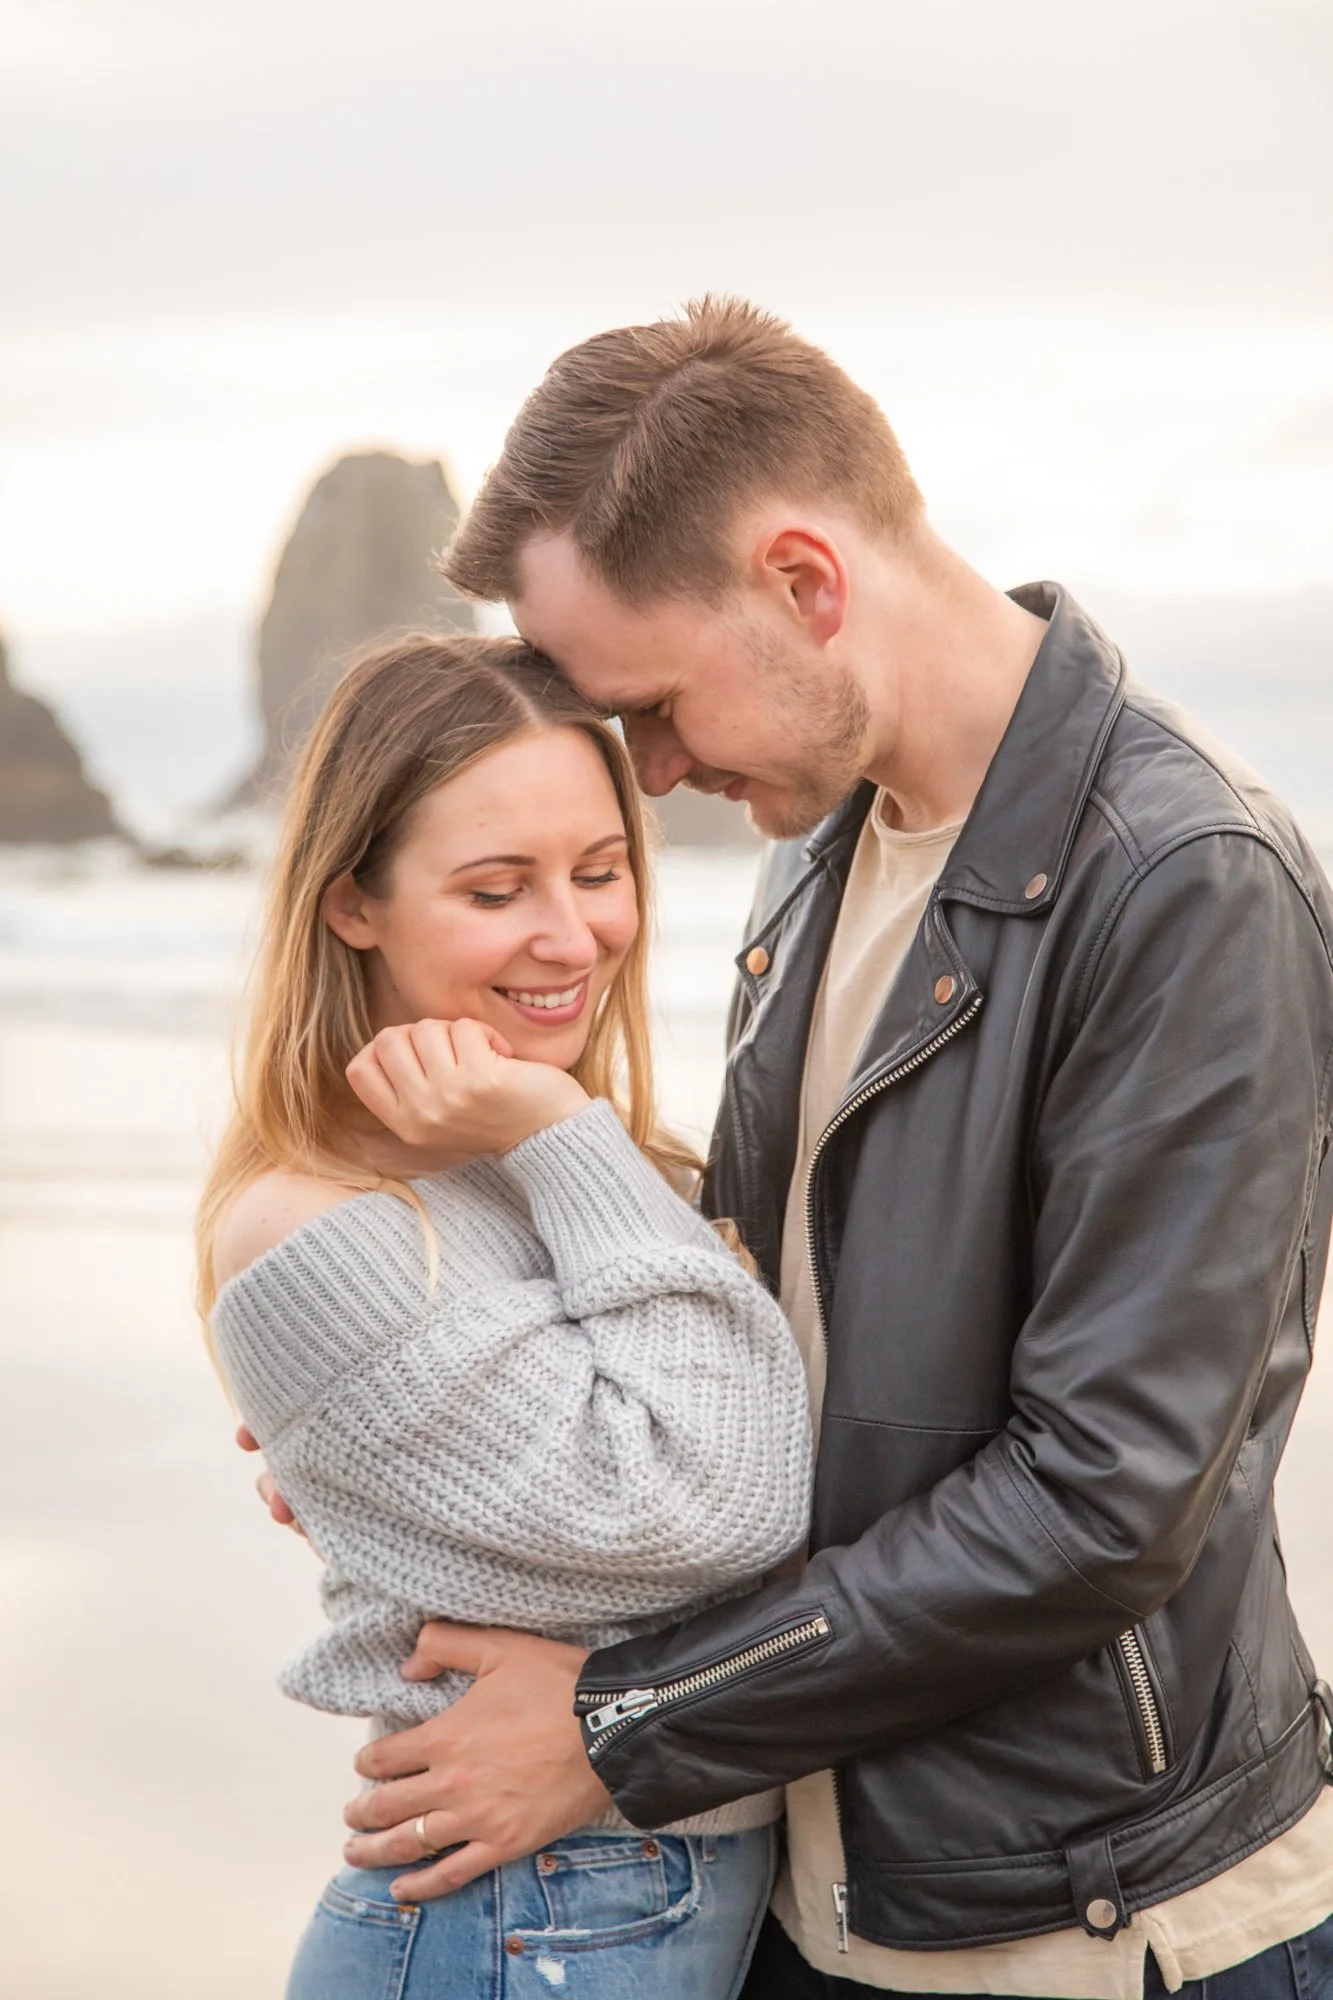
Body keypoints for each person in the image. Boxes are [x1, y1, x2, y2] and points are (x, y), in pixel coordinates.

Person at [333, 300, 1333, 2000]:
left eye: (649, 705)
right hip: (812, 1874)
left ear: (804, 585)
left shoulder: (1185, 884)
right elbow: (763, 1310)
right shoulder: (820, 845)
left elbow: (1099, 1505)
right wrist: (431, 1397)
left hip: (1090, 1926)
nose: (644, 774)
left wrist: (619, 1726)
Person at [199, 632, 813, 1999]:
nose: (571, 933)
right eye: (495, 889)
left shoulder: (591, 1169)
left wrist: (569, 1142)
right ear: (353, 901)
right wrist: (563, 1127)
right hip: (519, 1926)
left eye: (602, 872)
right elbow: (722, 1506)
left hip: (624, 1905)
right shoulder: (315, 1225)